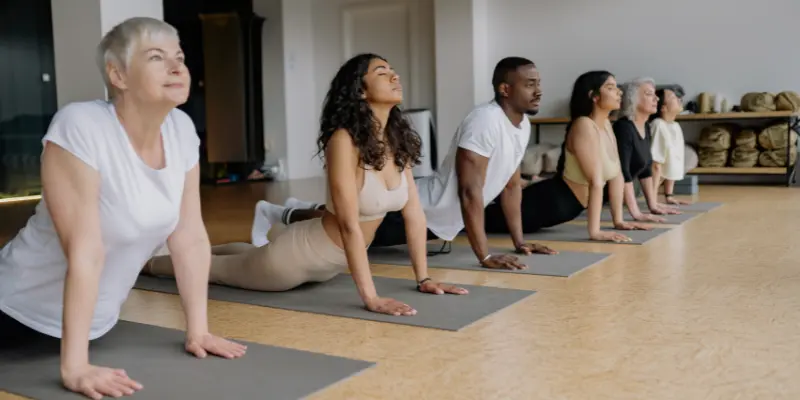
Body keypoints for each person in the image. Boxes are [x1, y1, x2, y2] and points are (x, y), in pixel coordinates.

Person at [0, 17, 245, 400]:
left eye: (179, 56)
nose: (177, 66)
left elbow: (190, 236)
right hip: (12, 307)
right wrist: (75, 367)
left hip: (93, 327)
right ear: (118, 75)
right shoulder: (81, 125)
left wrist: (198, 330)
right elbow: (85, 248)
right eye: (156, 57)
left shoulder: (181, 130)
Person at [143, 53, 468, 318]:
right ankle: (144, 263)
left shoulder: (396, 142)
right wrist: (371, 298)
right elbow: (349, 224)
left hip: (325, 267)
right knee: (212, 269)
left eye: (394, 70)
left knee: (240, 254)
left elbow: (415, 216)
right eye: (382, 72)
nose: (395, 76)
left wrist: (423, 278)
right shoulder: (344, 141)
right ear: (360, 90)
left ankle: (181, 248)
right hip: (290, 263)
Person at [256, 57, 560, 271]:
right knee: (340, 229)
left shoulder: (522, 126)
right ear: (505, 89)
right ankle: (277, 212)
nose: (539, 91)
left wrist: (519, 242)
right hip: (416, 211)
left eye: (539, 83)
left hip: (437, 220)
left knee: (350, 219)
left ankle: (291, 207)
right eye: (529, 84)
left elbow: (510, 185)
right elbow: (469, 192)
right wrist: (485, 256)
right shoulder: (485, 121)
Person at [611, 78, 681, 222]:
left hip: (624, 193)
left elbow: (645, 170)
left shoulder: (646, 126)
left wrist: (653, 205)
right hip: (602, 197)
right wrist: (636, 213)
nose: (656, 98)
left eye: (655, 94)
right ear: (633, 100)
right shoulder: (623, 128)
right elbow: (623, 172)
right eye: (649, 94)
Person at [649, 88, 690, 205]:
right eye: (673, 97)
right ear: (663, 107)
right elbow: (655, 165)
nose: (679, 99)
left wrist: (669, 196)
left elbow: (672, 163)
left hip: (657, 182)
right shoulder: (658, 125)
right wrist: (652, 201)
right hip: (645, 184)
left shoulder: (675, 126)